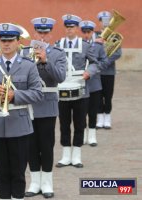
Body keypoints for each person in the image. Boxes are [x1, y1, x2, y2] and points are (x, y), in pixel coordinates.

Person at [0, 23, 43, 200]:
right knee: (2, 173)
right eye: (3, 40)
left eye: (10, 40)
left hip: (20, 124)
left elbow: (37, 93)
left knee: (18, 173)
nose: (6, 44)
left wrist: (14, 95)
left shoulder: (28, 65)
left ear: (18, 42)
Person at [21, 17, 66, 198]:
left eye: (45, 32)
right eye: (39, 32)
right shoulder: (25, 52)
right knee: (31, 147)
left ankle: (47, 183)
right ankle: (34, 182)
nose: (42, 35)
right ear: (34, 33)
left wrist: (46, 61)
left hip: (47, 105)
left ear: (50, 34)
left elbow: (61, 77)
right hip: (29, 106)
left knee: (46, 146)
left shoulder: (58, 53)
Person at [55, 14, 98, 168]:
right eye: (67, 27)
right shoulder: (58, 44)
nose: (69, 30)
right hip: (62, 90)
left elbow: (94, 63)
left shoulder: (85, 45)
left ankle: (77, 155)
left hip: (81, 89)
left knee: (79, 123)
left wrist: (89, 72)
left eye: (72, 27)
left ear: (77, 28)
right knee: (64, 123)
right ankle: (66, 154)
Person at [80, 20, 108, 146]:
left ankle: (92, 136)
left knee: (93, 111)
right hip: (81, 84)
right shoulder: (79, 45)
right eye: (84, 32)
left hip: (95, 84)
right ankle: (83, 135)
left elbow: (104, 61)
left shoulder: (98, 45)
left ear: (92, 32)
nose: (86, 34)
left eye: (89, 32)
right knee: (82, 112)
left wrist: (95, 68)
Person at [96, 11, 122, 129]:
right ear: (99, 22)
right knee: (98, 94)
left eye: (108, 20)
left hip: (109, 71)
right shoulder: (95, 35)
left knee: (108, 94)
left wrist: (105, 62)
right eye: (103, 20)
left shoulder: (114, 36)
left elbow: (118, 53)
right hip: (96, 71)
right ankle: (99, 116)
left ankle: (107, 116)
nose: (105, 23)